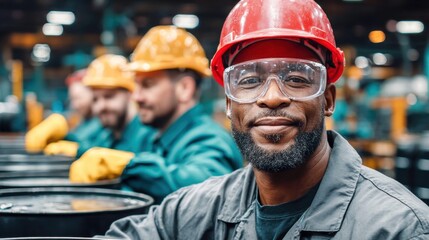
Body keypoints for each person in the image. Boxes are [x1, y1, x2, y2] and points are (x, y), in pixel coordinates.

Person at [101, 0, 429, 239]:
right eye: (248, 80)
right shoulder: (193, 211)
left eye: (298, 78)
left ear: (328, 99)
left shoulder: (398, 228)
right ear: (229, 103)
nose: (271, 97)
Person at [69, 25, 243, 203]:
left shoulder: (209, 138)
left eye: (147, 85)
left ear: (184, 88)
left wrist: (129, 167)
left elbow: (207, 191)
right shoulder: (157, 139)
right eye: (136, 86)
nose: (136, 97)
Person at [43, 54, 155, 158]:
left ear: (130, 94)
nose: (101, 106)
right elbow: (88, 148)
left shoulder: (148, 137)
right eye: (95, 99)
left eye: (109, 96)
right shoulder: (107, 136)